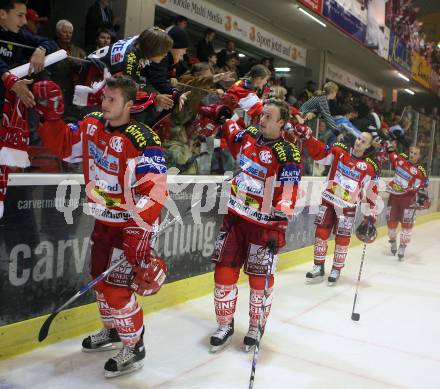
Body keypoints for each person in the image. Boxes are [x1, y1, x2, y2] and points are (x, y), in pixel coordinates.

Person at [33, 75, 168, 377]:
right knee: (99, 281)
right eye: (104, 98)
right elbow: (65, 148)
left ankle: (135, 347)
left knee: (119, 291)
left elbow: (156, 191)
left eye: (112, 100)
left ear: (129, 106)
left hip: (132, 225)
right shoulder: (92, 124)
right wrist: (50, 117)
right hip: (103, 221)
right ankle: (114, 331)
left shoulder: (143, 139)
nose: (104, 104)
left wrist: (138, 231)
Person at [196, 99, 302, 352]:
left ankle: (256, 326)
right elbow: (231, 130)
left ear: (281, 123)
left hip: (264, 227)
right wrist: (222, 117)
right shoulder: (249, 135)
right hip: (235, 218)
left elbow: (290, 188)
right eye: (261, 115)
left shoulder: (289, 153)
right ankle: (224, 325)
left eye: (268, 117)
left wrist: (285, 205)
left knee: (259, 281)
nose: (261, 120)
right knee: (223, 273)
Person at [293, 124, 379, 285]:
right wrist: (309, 139)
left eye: (364, 142)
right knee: (321, 233)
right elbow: (319, 153)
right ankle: (318, 267)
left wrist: (370, 213)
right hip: (328, 200)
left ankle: (336, 269)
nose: (359, 142)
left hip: (347, 207)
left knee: (342, 239)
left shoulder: (369, 168)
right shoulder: (339, 152)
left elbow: (371, 192)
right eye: (359, 138)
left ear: (368, 147)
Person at [0, 0, 58, 218]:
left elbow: (50, 42)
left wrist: (41, 49)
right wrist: (9, 78)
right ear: (2, 14)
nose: (25, 21)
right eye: (20, 15)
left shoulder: (18, 34)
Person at [385, 144, 429, 260]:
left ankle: (403, 246)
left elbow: (423, 186)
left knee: (406, 225)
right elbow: (393, 157)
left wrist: (422, 196)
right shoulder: (401, 159)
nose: (412, 155)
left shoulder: (420, 171)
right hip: (394, 198)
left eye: (415, 154)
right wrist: (390, 149)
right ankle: (393, 241)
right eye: (411, 152)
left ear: (419, 156)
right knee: (391, 224)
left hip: (408, 200)